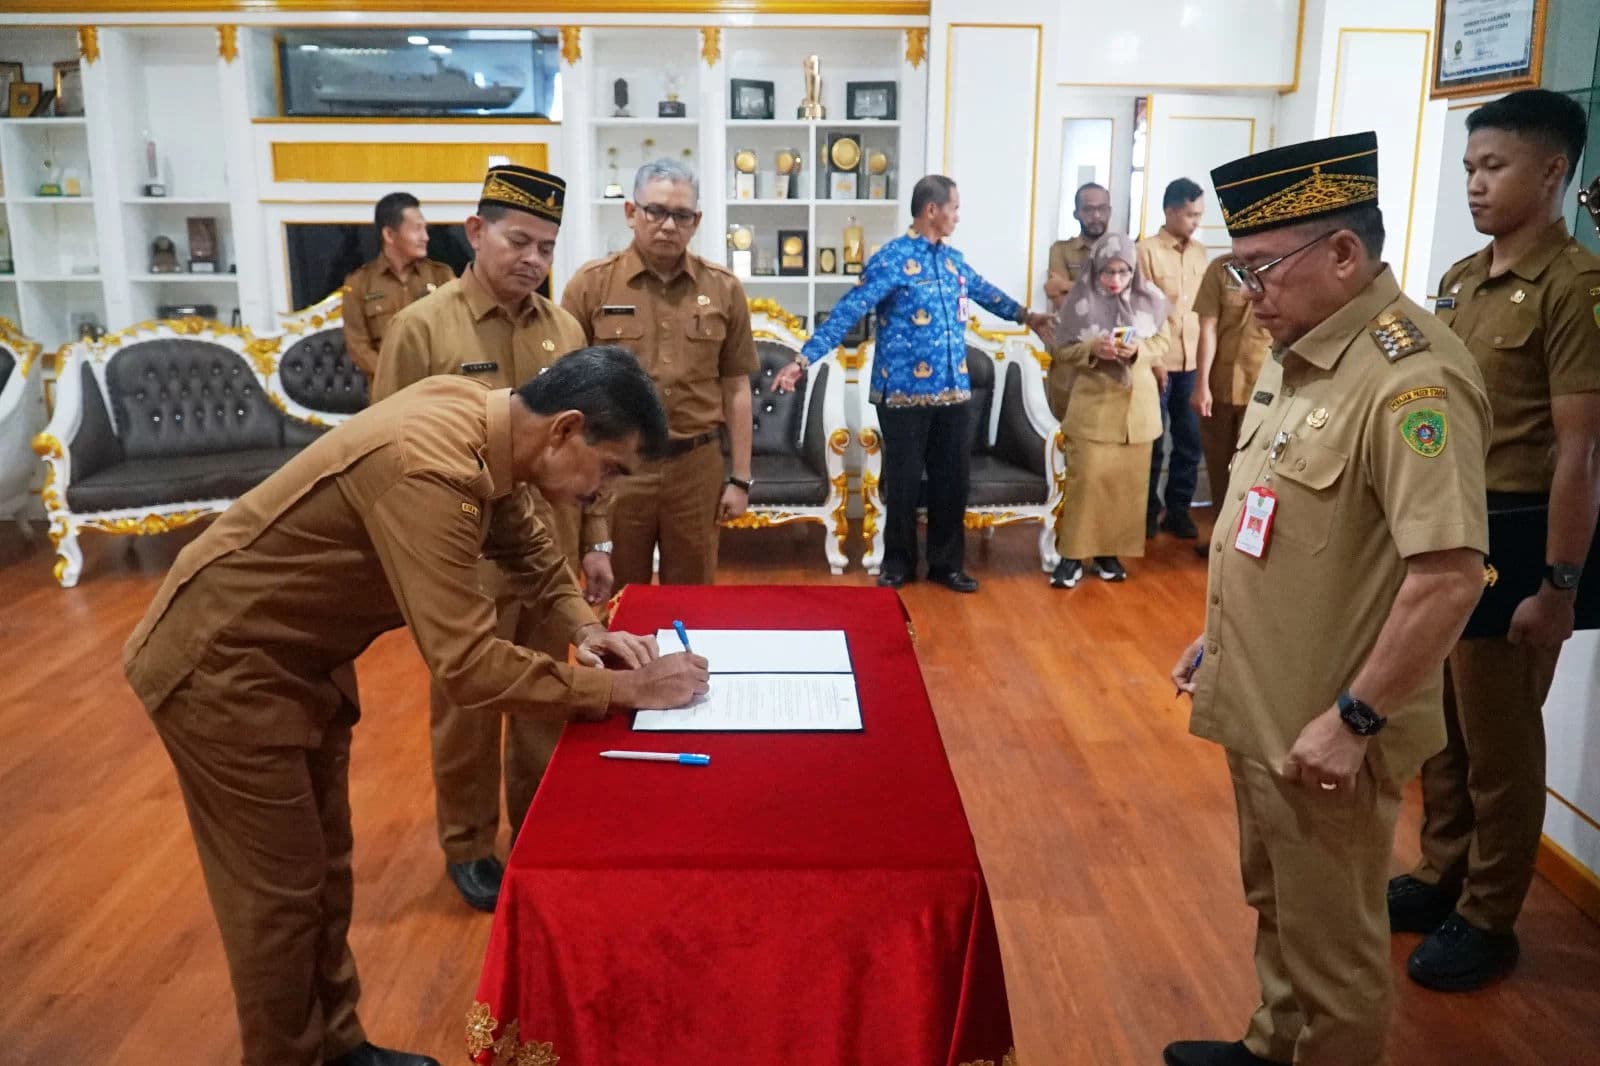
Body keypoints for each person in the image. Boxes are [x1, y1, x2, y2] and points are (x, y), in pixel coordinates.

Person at [123, 350, 708, 1066]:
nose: (606, 493)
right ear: (566, 430)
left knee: (323, 874)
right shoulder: (426, 466)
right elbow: (466, 665)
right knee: (275, 902)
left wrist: (585, 628)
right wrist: (624, 691)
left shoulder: (485, 423)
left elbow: (521, 538)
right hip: (222, 668)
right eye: (611, 470)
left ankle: (338, 1047)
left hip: (295, 659)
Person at [1167, 131, 1491, 1066]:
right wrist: (1217, 637)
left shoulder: (1409, 378)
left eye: (1261, 271)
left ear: (1344, 254)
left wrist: (1354, 718)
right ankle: (1274, 1045)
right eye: (1240, 274)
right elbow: (1280, 523)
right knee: (1278, 904)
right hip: (1265, 694)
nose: (1248, 298)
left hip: (1327, 731)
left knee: (1336, 948)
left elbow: (1449, 577)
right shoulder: (1305, 343)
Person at [1389, 89, 1600, 992]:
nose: (1474, 184)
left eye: (1495, 166)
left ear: (1553, 171)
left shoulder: (1576, 288)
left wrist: (1557, 586)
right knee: (1440, 724)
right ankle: (1441, 874)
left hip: (1520, 537)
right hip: (1452, 533)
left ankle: (1489, 913)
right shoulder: (1462, 281)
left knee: (1501, 742)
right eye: (1469, 167)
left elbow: (1582, 451)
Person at [370, 164, 611, 914]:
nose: (533, 258)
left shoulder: (565, 330)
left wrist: (595, 538)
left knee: (546, 696)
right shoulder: (423, 327)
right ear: (476, 233)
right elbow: (386, 452)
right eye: (518, 240)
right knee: (467, 710)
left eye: (546, 245)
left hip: (551, 550)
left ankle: (538, 829)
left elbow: (587, 450)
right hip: (461, 561)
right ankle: (469, 844)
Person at [773, 174, 1053, 592]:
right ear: (932, 210)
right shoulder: (892, 259)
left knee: (950, 484)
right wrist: (803, 359)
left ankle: (946, 565)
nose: (958, 216)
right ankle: (898, 563)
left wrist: (1027, 317)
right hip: (901, 394)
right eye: (954, 208)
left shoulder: (954, 261)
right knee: (903, 484)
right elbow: (851, 309)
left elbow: (986, 293)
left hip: (954, 393)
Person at [561, 158, 756, 590]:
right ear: (632, 213)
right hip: (616, 469)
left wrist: (740, 478)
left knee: (693, 599)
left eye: (681, 215)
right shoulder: (591, 285)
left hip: (695, 469)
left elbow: (737, 388)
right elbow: (566, 390)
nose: (668, 225)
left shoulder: (723, 288)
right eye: (656, 211)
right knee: (620, 597)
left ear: (696, 220)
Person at [1047, 232, 1168, 588]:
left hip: (1138, 412)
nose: (1115, 280)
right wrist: (1092, 349)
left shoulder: (1152, 300)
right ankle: (1070, 557)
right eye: (1107, 272)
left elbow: (1163, 341)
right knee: (1087, 484)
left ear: (1134, 272)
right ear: (1095, 269)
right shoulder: (1078, 302)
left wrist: (1138, 352)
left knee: (1124, 489)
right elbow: (1061, 350)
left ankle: (1108, 555)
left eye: (1123, 272)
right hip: (1093, 408)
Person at [1138, 177, 1209, 540]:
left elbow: (1205, 312)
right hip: (1158, 364)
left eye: (1199, 214)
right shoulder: (1146, 251)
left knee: (1189, 441)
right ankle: (1146, 513)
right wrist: (1155, 361)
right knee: (1153, 440)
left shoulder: (1200, 253)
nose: (1196, 221)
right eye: (1190, 214)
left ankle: (1178, 510)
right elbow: (1142, 312)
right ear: (1170, 211)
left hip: (1192, 363)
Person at [1191, 251, 1274, 554]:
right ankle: (1221, 537)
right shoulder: (1220, 270)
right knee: (1218, 464)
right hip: (1221, 385)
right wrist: (1201, 385)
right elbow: (1207, 328)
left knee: (1255, 469)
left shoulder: (1282, 268)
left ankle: (1249, 542)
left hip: (1264, 387)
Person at [341, 191, 455, 377]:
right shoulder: (359, 284)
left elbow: (456, 334)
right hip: (386, 392)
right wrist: (394, 377)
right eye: (417, 229)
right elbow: (358, 346)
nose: (425, 237)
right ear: (389, 234)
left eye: (425, 229)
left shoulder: (441, 276)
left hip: (434, 387)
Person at [1045, 182, 1112, 307]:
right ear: (1076, 214)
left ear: (1109, 212)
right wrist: (1106, 291)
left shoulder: (1124, 251)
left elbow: (1126, 299)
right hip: (1073, 326)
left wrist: (1066, 285)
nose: (1096, 215)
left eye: (1102, 209)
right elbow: (1062, 302)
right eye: (1088, 209)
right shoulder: (1060, 250)